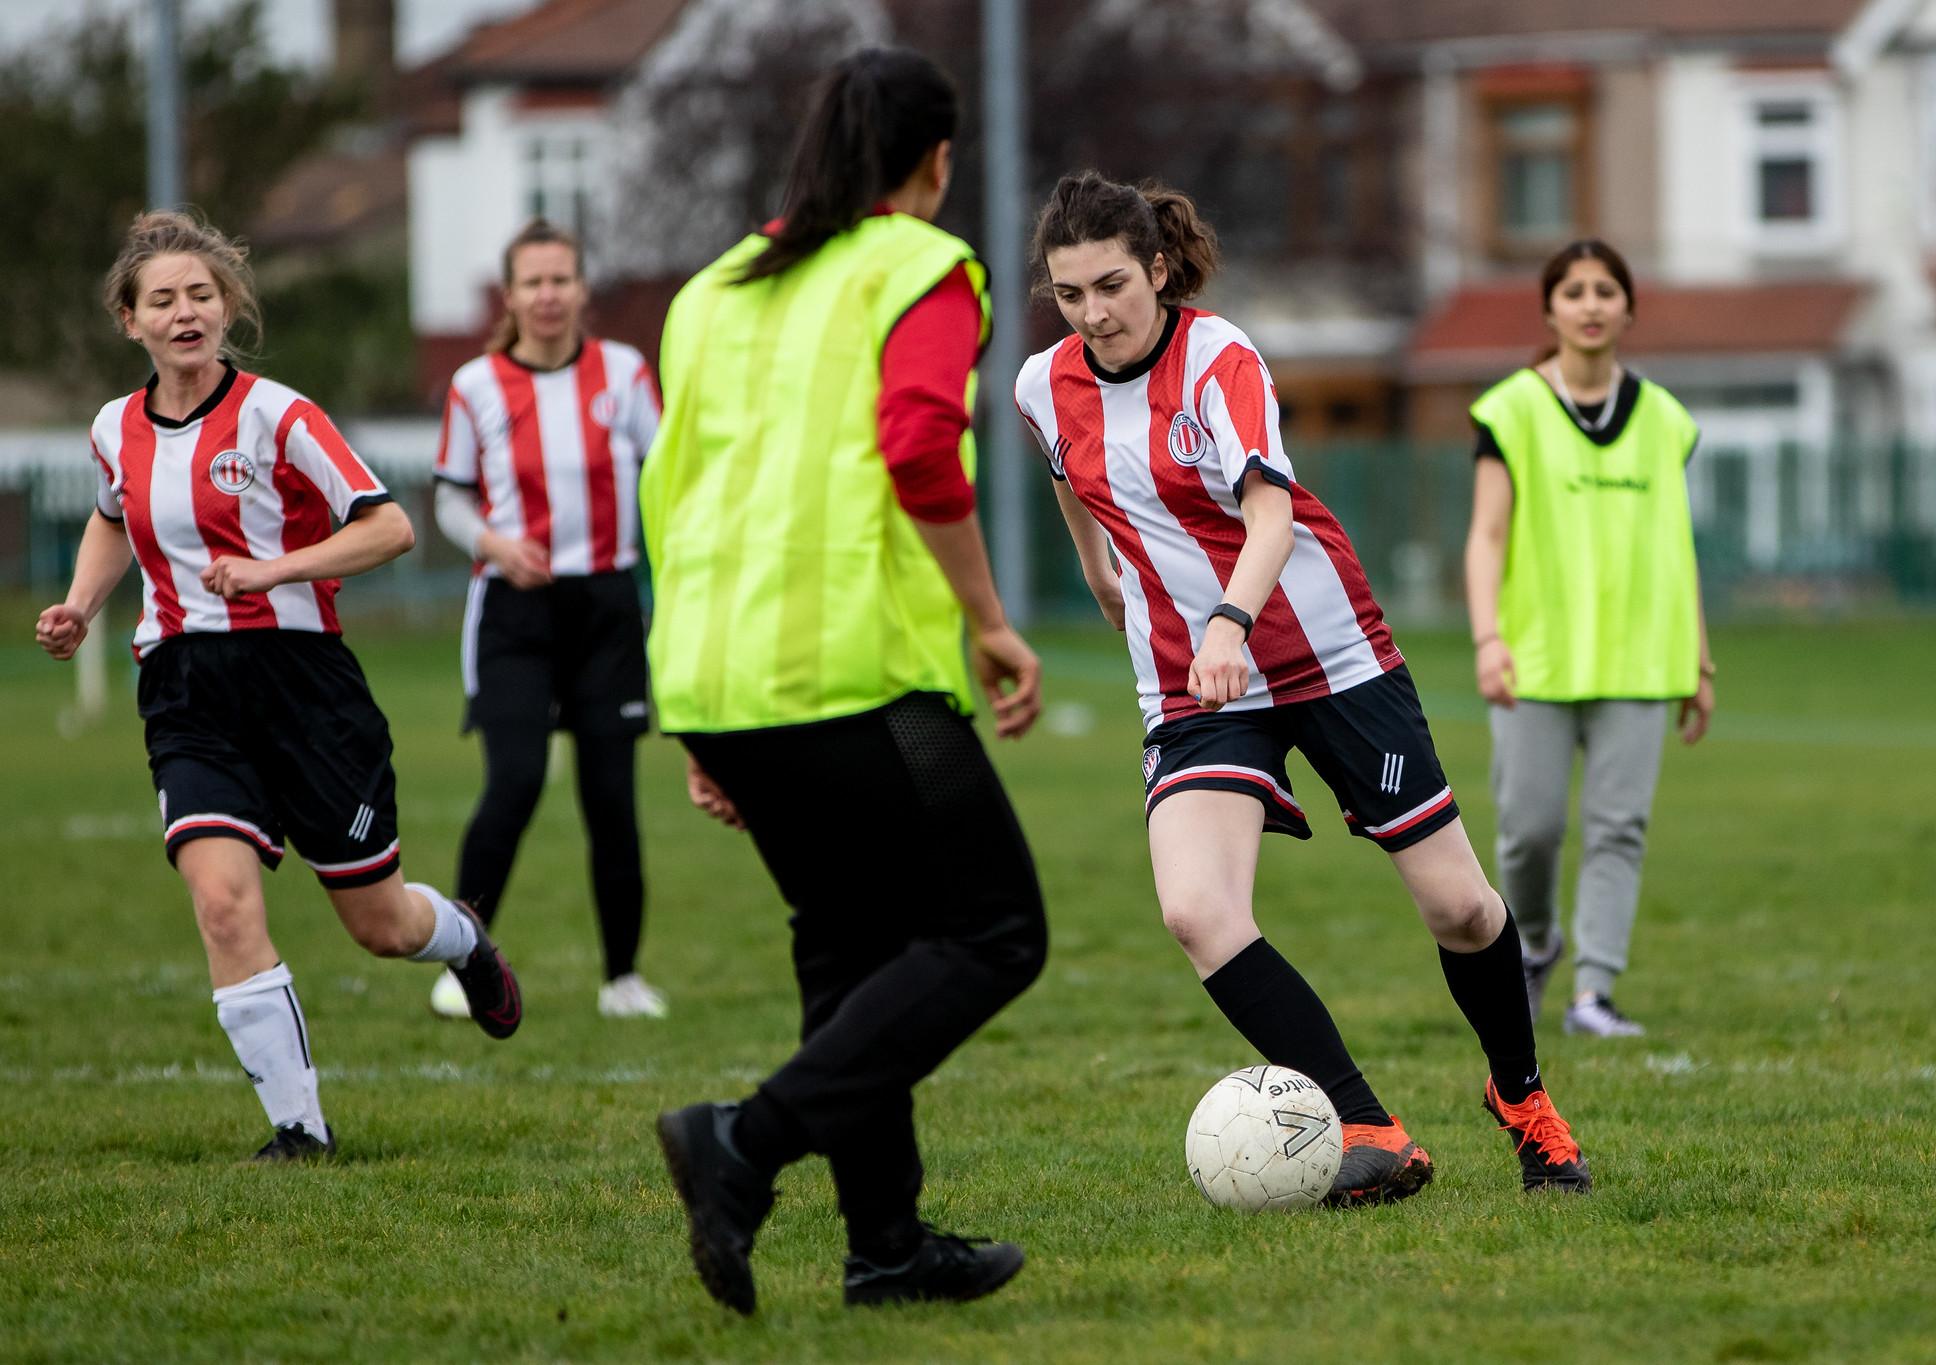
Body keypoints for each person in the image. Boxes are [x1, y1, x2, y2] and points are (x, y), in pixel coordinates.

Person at [1016, 171, 1590, 1202]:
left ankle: (1524, 1100)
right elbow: (1070, 475)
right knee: (1197, 913)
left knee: (1460, 908)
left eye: (1110, 284)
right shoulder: (1039, 385)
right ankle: (1368, 1125)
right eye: (1068, 294)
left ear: (1155, 268)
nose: (1093, 313)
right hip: (1194, 686)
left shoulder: (1218, 358)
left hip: (1324, 652)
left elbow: (1269, 516)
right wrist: (1103, 573)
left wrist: (1230, 618)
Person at [641, 49, 1047, 1313]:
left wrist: (698, 717)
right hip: (862, 680)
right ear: (935, 162)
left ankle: (886, 1245)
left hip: (718, 671)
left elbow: (672, 489)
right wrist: (988, 620)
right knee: (994, 932)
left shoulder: (711, 289)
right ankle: (743, 1146)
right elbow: (921, 445)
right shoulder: (923, 266)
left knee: (852, 946)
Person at [35, 211, 521, 1162]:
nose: (187, 313)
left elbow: (388, 528)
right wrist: (81, 603)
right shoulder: (111, 429)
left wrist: (275, 569)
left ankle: (462, 938)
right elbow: (111, 516)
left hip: (303, 688)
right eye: (164, 300)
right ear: (129, 320)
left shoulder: (279, 415)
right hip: (183, 688)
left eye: (203, 296)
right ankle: (299, 1128)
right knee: (221, 900)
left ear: (230, 309)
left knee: (379, 925)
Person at [1463, 239, 1714, 1037]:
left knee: (1617, 827)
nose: (1592, 303)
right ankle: (1536, 943)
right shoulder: (1509, 409)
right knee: (1527, 828)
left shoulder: (1666, 419)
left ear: (1628, 309)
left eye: (1607, 289)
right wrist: (1486, 638)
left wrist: (1698, 660)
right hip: (1534, 659)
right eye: (1574, 291)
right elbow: (1485, 537)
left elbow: (1678, 545)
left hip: (1641, 659)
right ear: (1550, 310)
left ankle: (1592, 995)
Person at [430, 220, 666, 1021]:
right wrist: (495, 541)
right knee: (516, 780)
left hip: (605, 608)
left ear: (582, 287)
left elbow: (666, 475)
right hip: (513, 615)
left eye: (561, 278)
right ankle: (464, 962)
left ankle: (623, 977)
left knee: (611, 797)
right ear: (510, 294)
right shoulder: (476, 386)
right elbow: (450, 498)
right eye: (532, 281)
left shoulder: (626, 374)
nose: (547, 294)